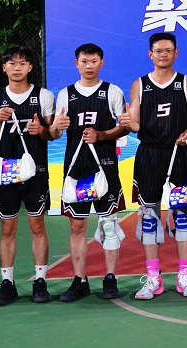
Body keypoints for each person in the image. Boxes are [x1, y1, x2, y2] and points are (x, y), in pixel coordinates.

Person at [118, 33, 187, 299]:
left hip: (178, 155)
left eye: (168, 50)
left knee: (181, 214)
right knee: (149, 216)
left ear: (176, 53)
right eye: (158, 51)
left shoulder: (186, 83)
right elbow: (136, 124)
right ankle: (153, 277)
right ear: (150, 54)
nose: (163, 54)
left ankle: (184, 275)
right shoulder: (139, 85)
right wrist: (127, 122)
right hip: (150, 155)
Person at [49, 43, 128, 301]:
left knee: (109, 224)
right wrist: (57, 127)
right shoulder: (66, 94)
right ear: (76, 64)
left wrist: (102, 134)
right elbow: (54, 132)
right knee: (77, 225)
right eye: (84, 61)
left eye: (94, 61)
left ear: (101, 63)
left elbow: (125, 127)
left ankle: (110, 278)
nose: (89, 66)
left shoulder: (112, 92)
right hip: (76, 168)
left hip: (105, 166)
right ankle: (79, 280)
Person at [0, 46, 55, 305]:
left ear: (30, 67)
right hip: (6, 170)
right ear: (4, 67)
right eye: (12, 63)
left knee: (37, 225)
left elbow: (51, 134)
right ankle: (7, 283)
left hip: (35, 170)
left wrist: (41, 130)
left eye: (22, 63)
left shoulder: (43, 95)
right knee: (7, 227)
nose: (17, 68)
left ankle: (40, 281)